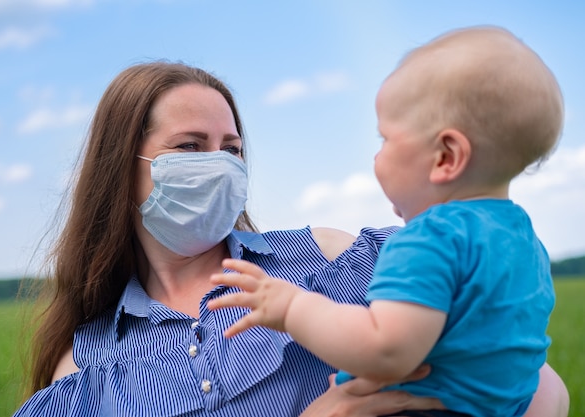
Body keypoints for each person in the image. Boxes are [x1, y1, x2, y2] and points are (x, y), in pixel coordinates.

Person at [12, 60, 568, 417]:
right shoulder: (86, 367)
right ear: (119, 168)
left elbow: (539, 388)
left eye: (231, 149)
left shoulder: (332, 256)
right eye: (189, 147)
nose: (220, 165)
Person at [208, 26, 565, 417]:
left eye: (385, 140)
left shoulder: (429, 239)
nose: (376, 157)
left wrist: (292, 306)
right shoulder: (522, 238)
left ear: (446, 157)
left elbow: (384, 349)